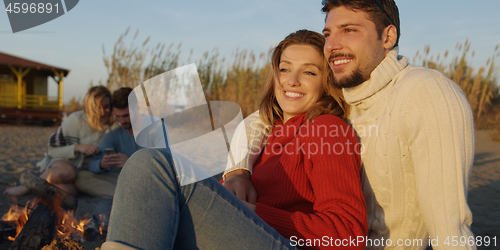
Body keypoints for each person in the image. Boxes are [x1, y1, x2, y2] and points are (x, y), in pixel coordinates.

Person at [224, 1, 476, 249]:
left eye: (349, 30)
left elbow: (450, 228)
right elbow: (261, 118)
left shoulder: (424, 91)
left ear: (388, 36)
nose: (331, 45)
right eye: (328, 34)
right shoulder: (347, 96)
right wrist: (237, 170)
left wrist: (248, 213)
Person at [101, 30, 367, 250]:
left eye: (309, 72)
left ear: (327, 82)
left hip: (287, 243)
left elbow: (347, 235)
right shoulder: (268, 132)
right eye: (285, 69)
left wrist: (251, 211)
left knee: (152, 165)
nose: (292, 81)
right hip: (253, 234)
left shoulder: (326, 128)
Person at [4, 86, 114, 197]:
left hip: (82, 173)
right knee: (68, 172)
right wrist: (77, 147)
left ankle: (42, 188)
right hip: (62, 164)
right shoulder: (76, 120)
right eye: (97, 108)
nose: (103, 112)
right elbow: (52, 151)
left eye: (106, 107)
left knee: (67, 190)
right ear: (89, 107)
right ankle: (26, 187)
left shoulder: (112, 125)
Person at [74, 87, 142, 198]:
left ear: (137, 109)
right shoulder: (114, 130)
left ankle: (128, 197)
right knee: (81, 177)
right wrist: (101, 164)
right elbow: (93, 163)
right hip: (119, 179)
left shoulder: (155, 128)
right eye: (118, 116)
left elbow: (164, 165)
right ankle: (125, 197)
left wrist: (131, 163)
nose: (122, 121)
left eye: (126, 115)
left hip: (145, 178)